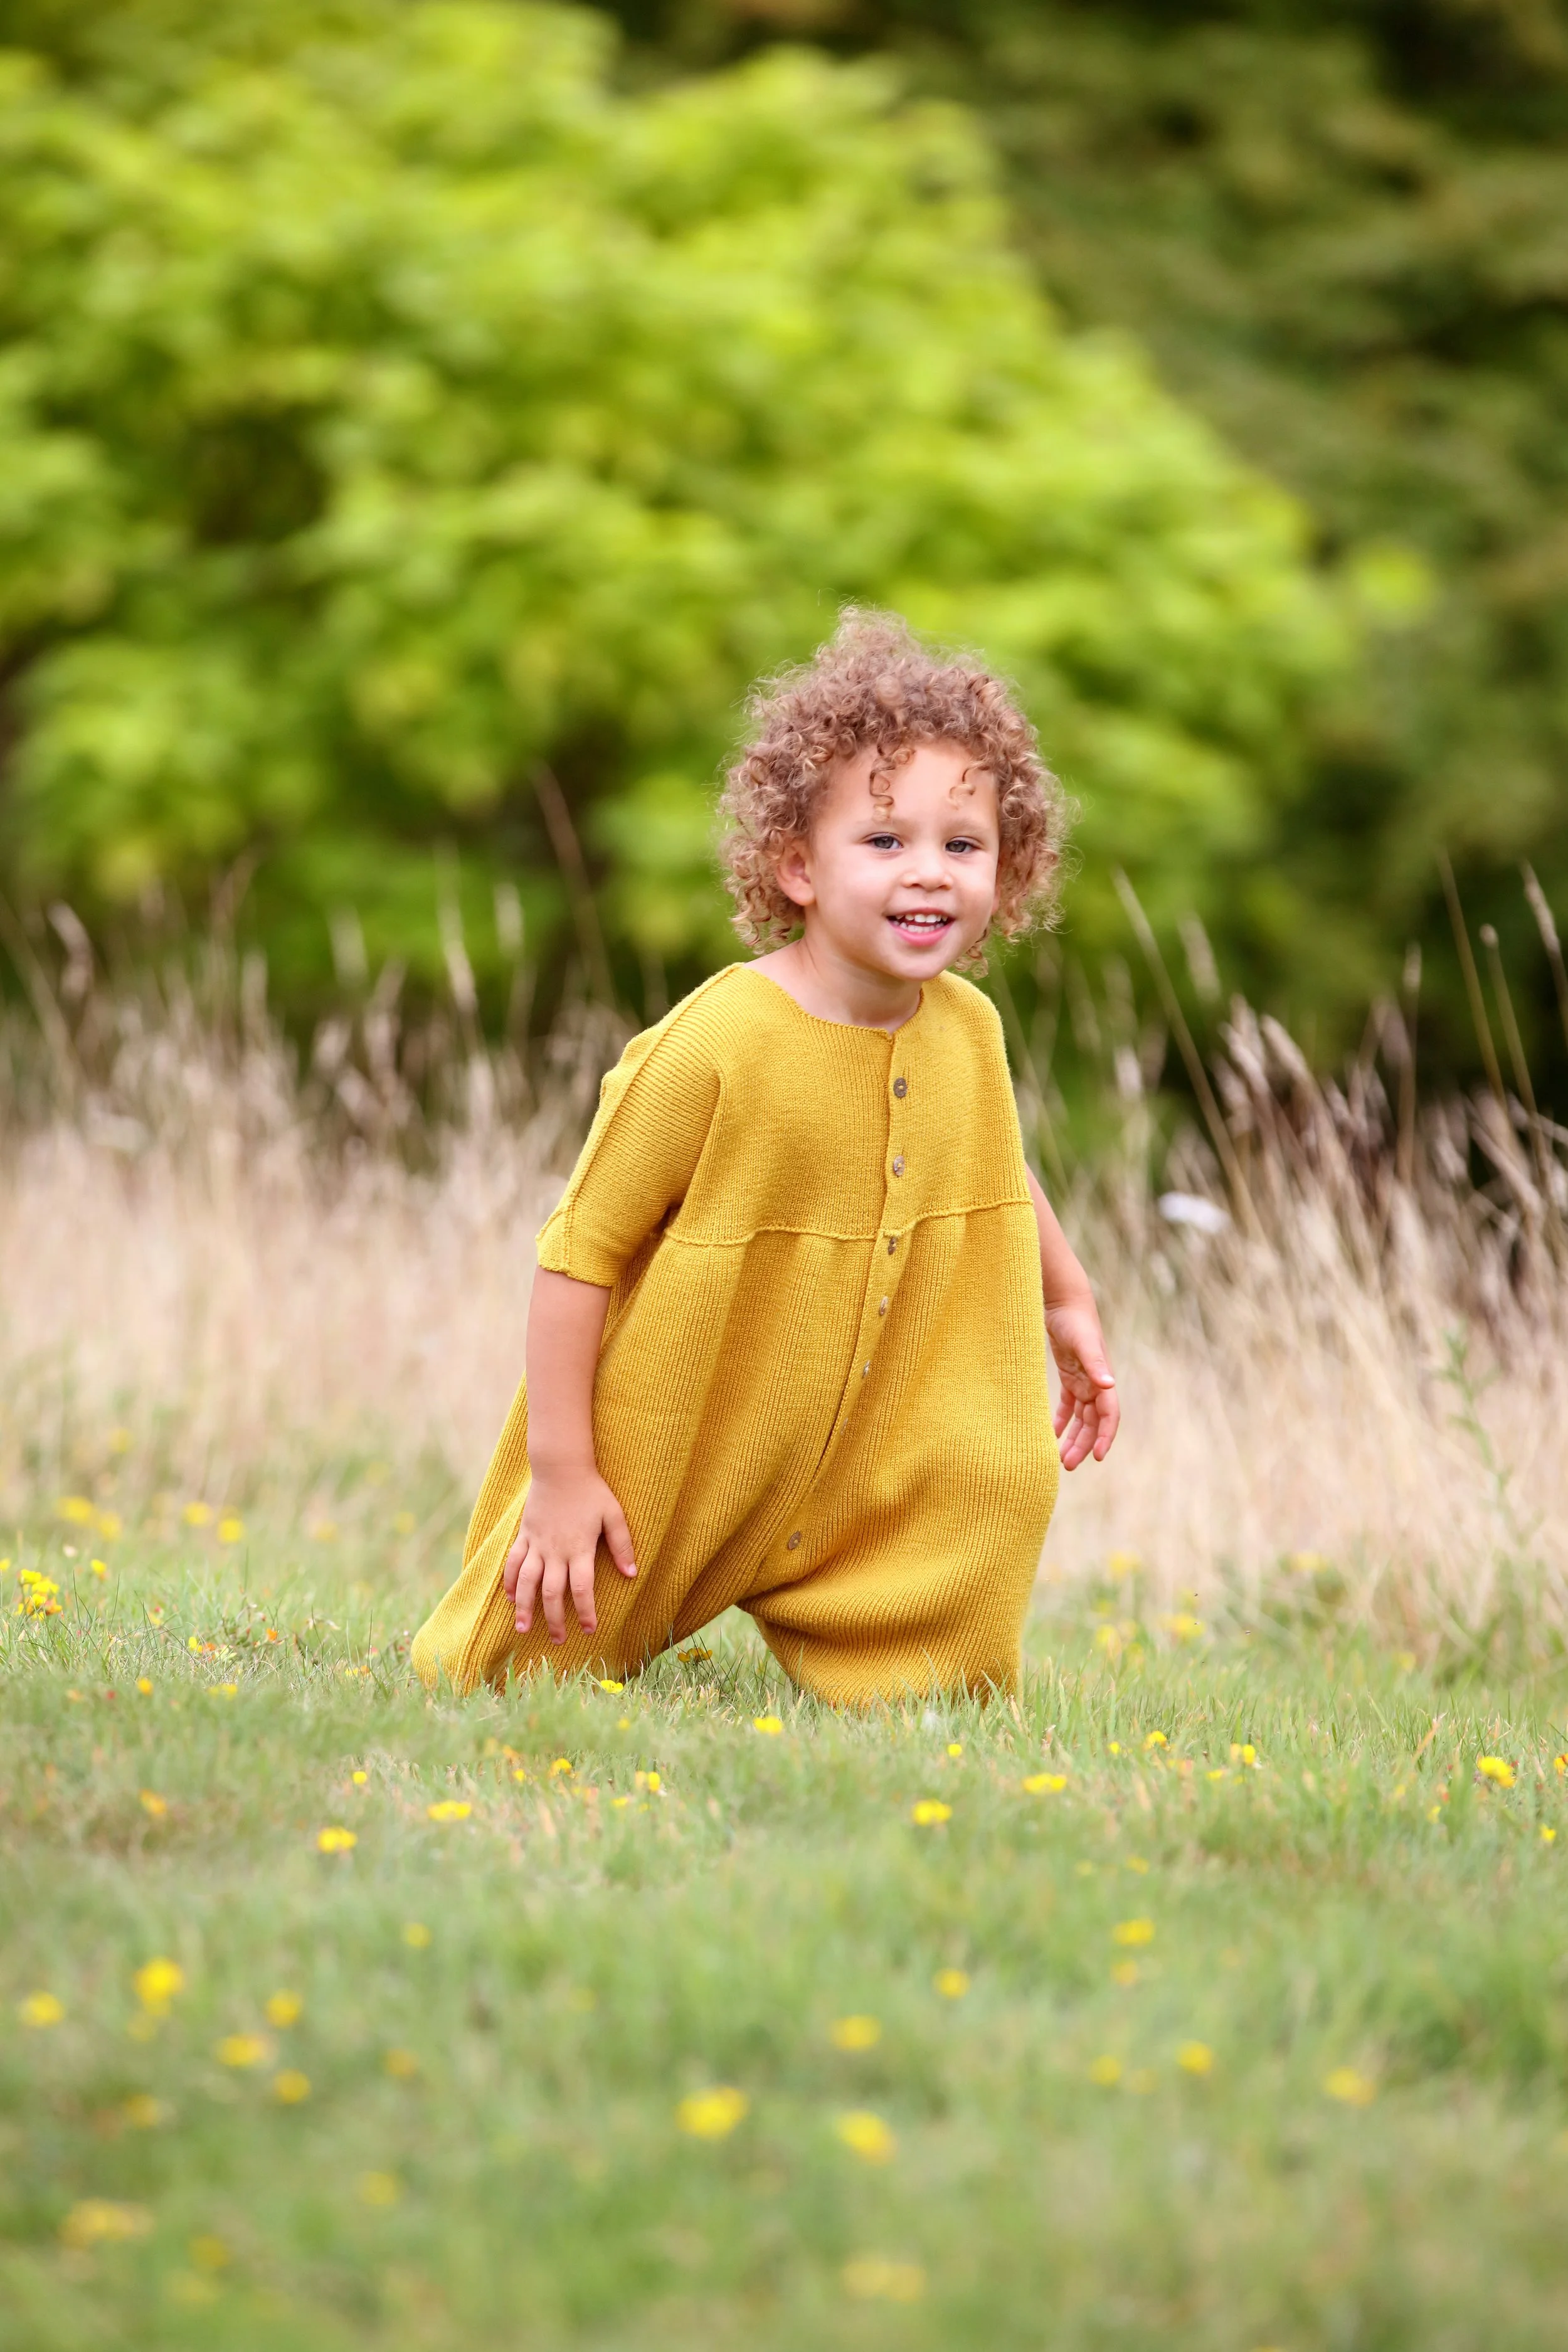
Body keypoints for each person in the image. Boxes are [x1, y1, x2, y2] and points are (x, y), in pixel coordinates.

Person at [411, 612, 1118, 1705]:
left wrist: (1066, 1298)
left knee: (997, 1474)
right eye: (884, 842)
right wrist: (563, 1473)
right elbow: (577, 1254)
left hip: (871, 1449)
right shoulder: (716, 1043)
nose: (928, 873)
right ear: (796, 864)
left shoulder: (968, 1028)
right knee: (510, 1667)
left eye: (962, 845)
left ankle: (908, 1675)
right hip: (686, 1428)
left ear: (1006, 867)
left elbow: (992, 1159)